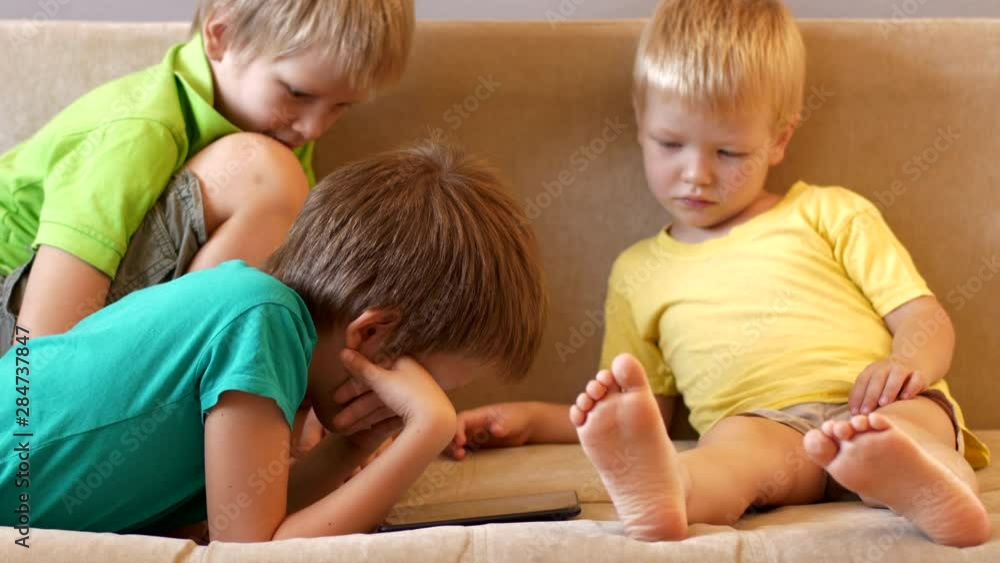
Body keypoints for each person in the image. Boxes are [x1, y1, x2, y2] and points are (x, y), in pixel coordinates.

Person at [449, 0, 991, 547]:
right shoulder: (638, 272)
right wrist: (530, 420)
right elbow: (651, 414)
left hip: (877, 406)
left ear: (779, 139)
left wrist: (906, 365)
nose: (697, 174)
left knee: (913, 432)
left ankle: (922, 485)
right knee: (728, 460)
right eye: (670, 144)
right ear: (641, 127)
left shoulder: (828, 212)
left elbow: (924, 315)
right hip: (765, 426)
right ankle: (670, 496)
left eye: (729, 152)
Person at [0, 141, 547, 542]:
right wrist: (427, 431)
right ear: (373, 335)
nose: (421, 405)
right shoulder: (263, 321)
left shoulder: (260, 319)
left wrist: (353, 445)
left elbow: (238, 522)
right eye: (428, 387)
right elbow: (253, 555)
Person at [0, 0, 414, 354]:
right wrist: (29, 430)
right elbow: (42, 338)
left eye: (342, 106)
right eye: (298, 93)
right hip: (21, 321)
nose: (313, 127)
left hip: (66, 339)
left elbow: (295, 287)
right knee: (265, 173)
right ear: (222, 34)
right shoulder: (139, 129)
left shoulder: (284, 134)